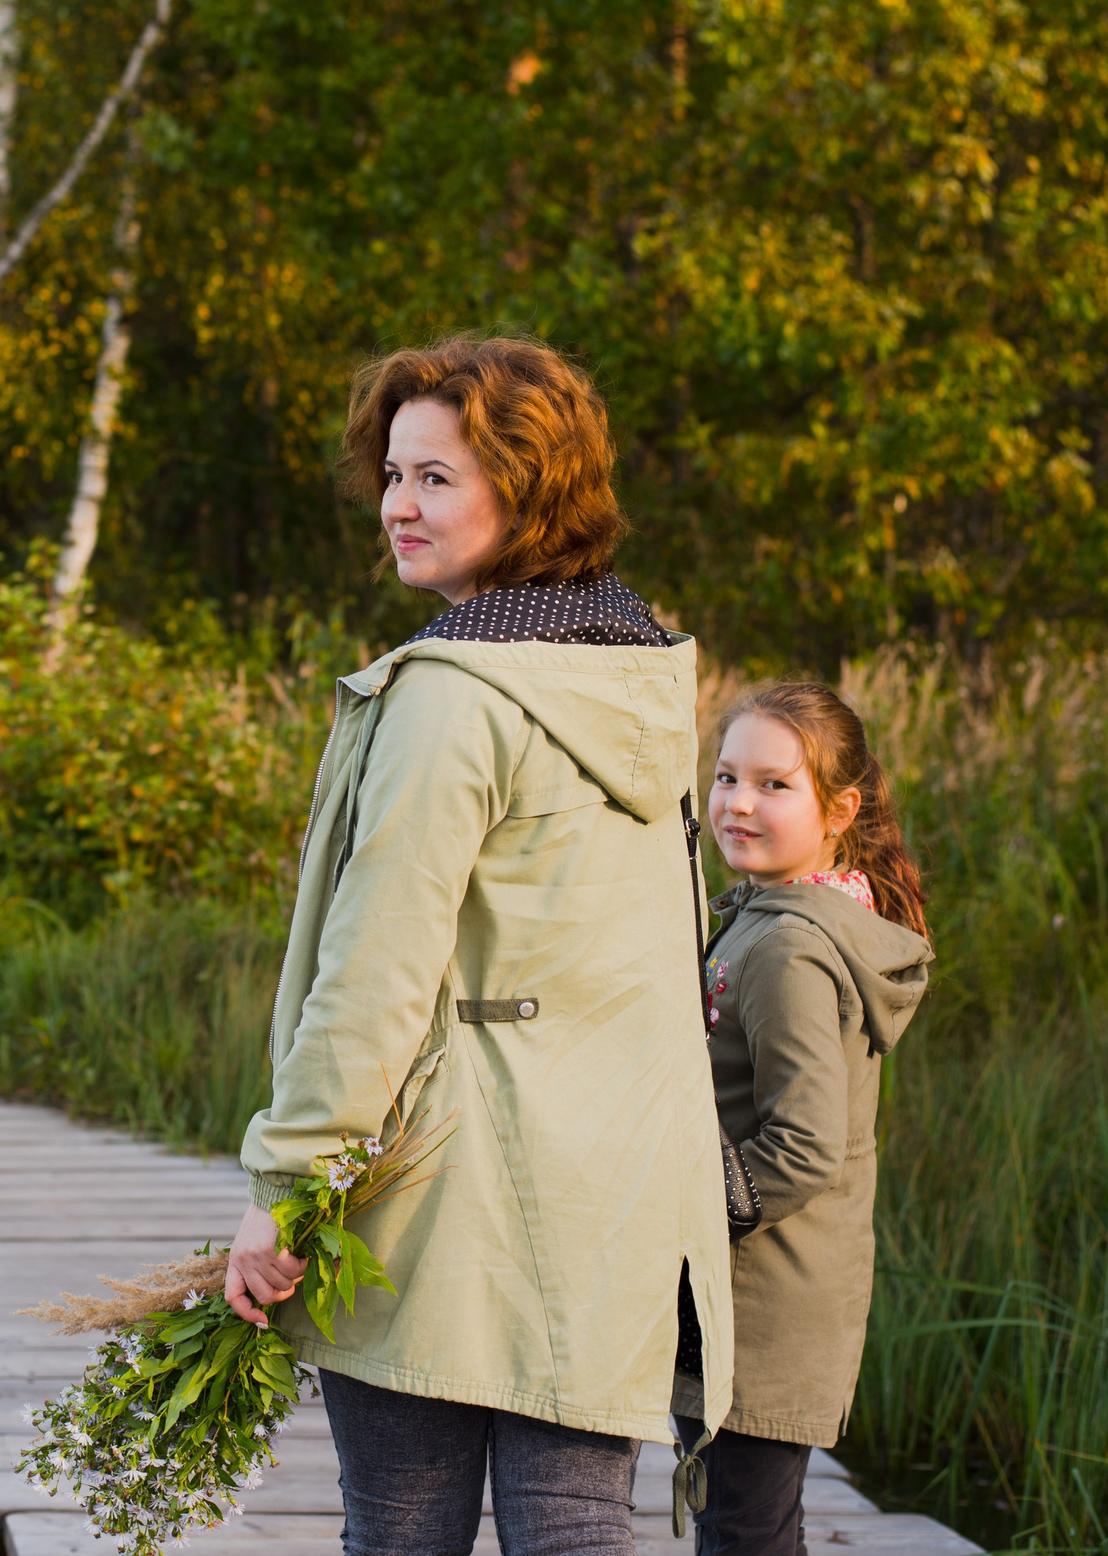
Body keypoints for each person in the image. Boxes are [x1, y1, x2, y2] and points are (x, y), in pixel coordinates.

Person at [223, 336, 735, 1556]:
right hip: (607, 1199)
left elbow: (377, 968)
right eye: (393, 474)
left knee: (403, 1534)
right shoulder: (640, 675)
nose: (397, 504)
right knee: (574, 1529)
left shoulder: (454, 692)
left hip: (440, 1197)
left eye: (437, 477)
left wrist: (291, 1182)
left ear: (530, 482)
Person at [695, 683, 935, 1555]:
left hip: (769, 1304)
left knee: (744, 1534)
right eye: (726, 776)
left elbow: (802, 1145)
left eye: (774, 784)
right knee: (751, 1528)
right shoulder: (771, 918)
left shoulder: (792, 947)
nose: (739, 802)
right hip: (769, 1294)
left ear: (840, 809)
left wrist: (686, 1207)